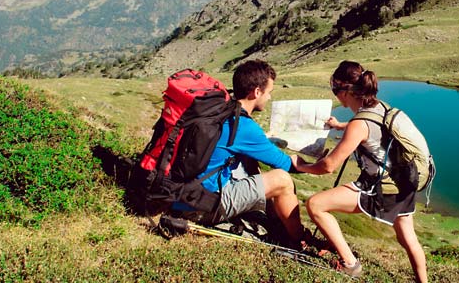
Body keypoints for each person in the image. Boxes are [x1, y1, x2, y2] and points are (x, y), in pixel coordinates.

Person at [290, 60, 428, 281]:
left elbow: (329, 166)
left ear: (344, 91)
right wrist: (340, 126)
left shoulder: (358, 124)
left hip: (380, 188)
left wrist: (301, 165)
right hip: (404, 183)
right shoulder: (380, 106)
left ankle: (350, 264)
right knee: (407, 237)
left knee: (315, 205)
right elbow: (370, 126)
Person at [171, 59, 306, 245]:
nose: (269, 98)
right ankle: (299, 240)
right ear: (257, 92)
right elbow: (285, 164)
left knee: (251, 164)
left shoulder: (222, 112)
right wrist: (320, 164)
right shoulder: (244, 126)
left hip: (182, 194)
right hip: (199, 206)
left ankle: (278, 226)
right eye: (269, 93)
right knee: (282, 180)